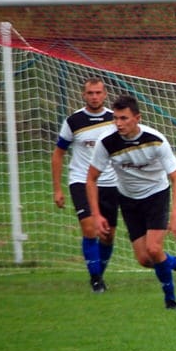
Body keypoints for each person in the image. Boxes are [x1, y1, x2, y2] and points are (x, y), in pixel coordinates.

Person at [87, 95, 176, 310]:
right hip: (128, 199)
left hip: (157, 195)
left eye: (124, 118)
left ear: (137, 118)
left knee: (154, 249)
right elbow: (91, 179)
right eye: (116, 118)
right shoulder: (106, 142)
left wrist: (175, 215)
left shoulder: (155, 139)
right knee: (145, 259)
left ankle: (171, 301)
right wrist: (96, 214)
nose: (119, 123)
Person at [51, 77, 119, 293]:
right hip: (80, 180)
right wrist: (57, 189)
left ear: (105, 94)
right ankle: (96, 279)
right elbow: (58, 153)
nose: (95, 97)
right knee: (90, 229)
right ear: (83, 95)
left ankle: (99, 274)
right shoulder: (73, 121)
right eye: (90, 93)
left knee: (107, 234)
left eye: (98, 92)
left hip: (109, 182)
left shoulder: (114, 120)